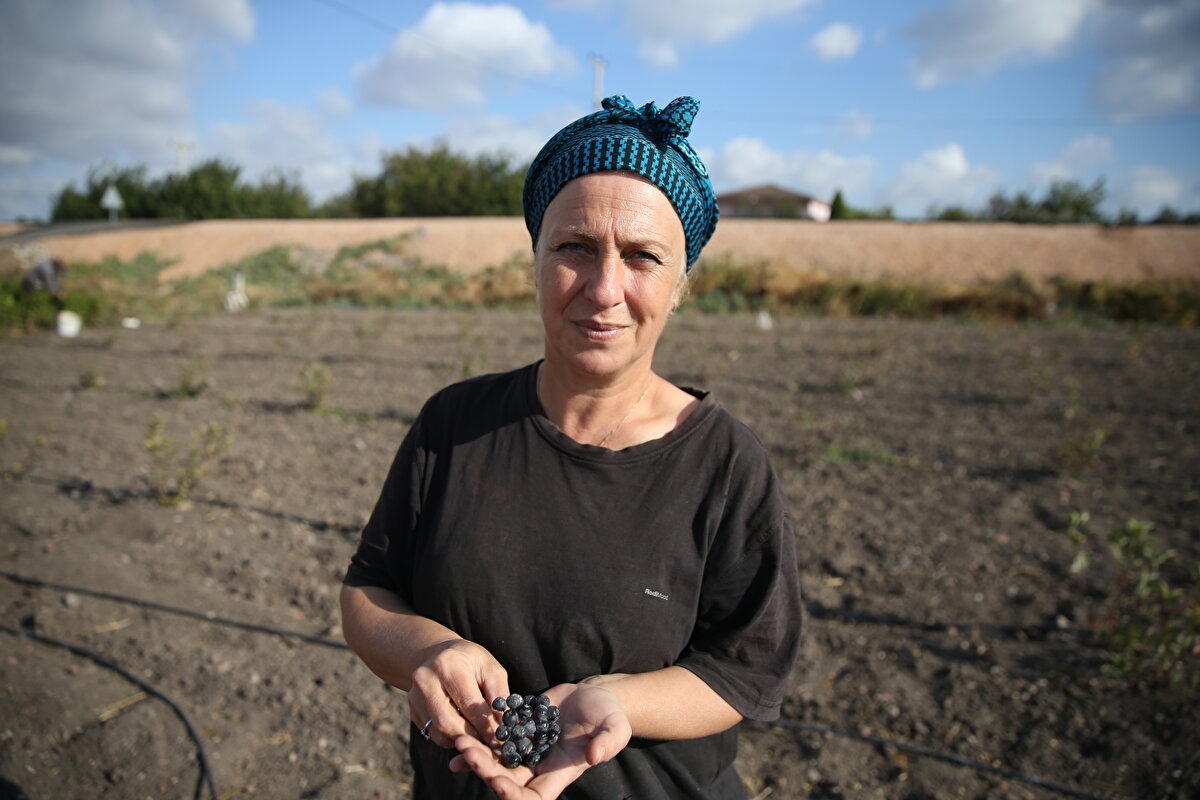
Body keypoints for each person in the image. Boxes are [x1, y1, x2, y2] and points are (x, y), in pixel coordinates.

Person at [341, 95, 802, 800]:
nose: (604, 288)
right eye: (575, 248)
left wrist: (619, 700)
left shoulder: (727, 467)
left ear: (681, 285)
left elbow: (745, 668)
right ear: (535, 257)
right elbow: (368, 592)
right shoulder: (454, 427)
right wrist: (428, 650)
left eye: (643, 256)